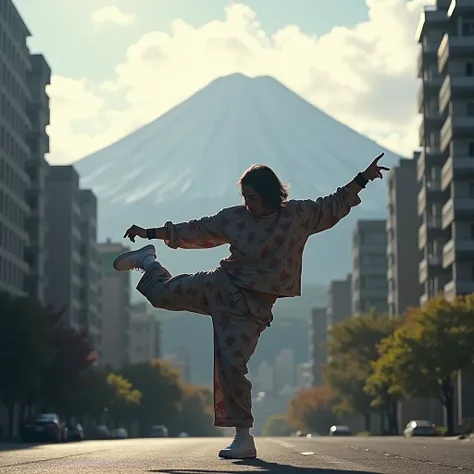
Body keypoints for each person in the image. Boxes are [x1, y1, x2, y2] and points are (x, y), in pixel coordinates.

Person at [112, 153, 389, 459]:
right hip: (219, 285)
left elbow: (334, 203)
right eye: (244, 197)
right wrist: (151, 232)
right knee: (161, 295)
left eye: (253, 197)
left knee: (232, 366)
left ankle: (243, 437)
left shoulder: (297, 216)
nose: (248, 204)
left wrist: (363, 178)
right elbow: (197, 229)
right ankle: (148, 260)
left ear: (270, 195)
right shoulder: (235, 218)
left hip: (252, 309)